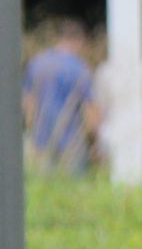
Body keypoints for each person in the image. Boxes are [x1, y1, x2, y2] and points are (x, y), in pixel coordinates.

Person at [22, 20, 96, 173]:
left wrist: (31, 130)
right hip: (71, 143)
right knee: (71, 190)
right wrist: (93, 139)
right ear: (78, 41)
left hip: (40, 138)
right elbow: (90, 110)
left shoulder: (36, 63)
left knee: (44, 187)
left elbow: (29, 102)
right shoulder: (80, 68)